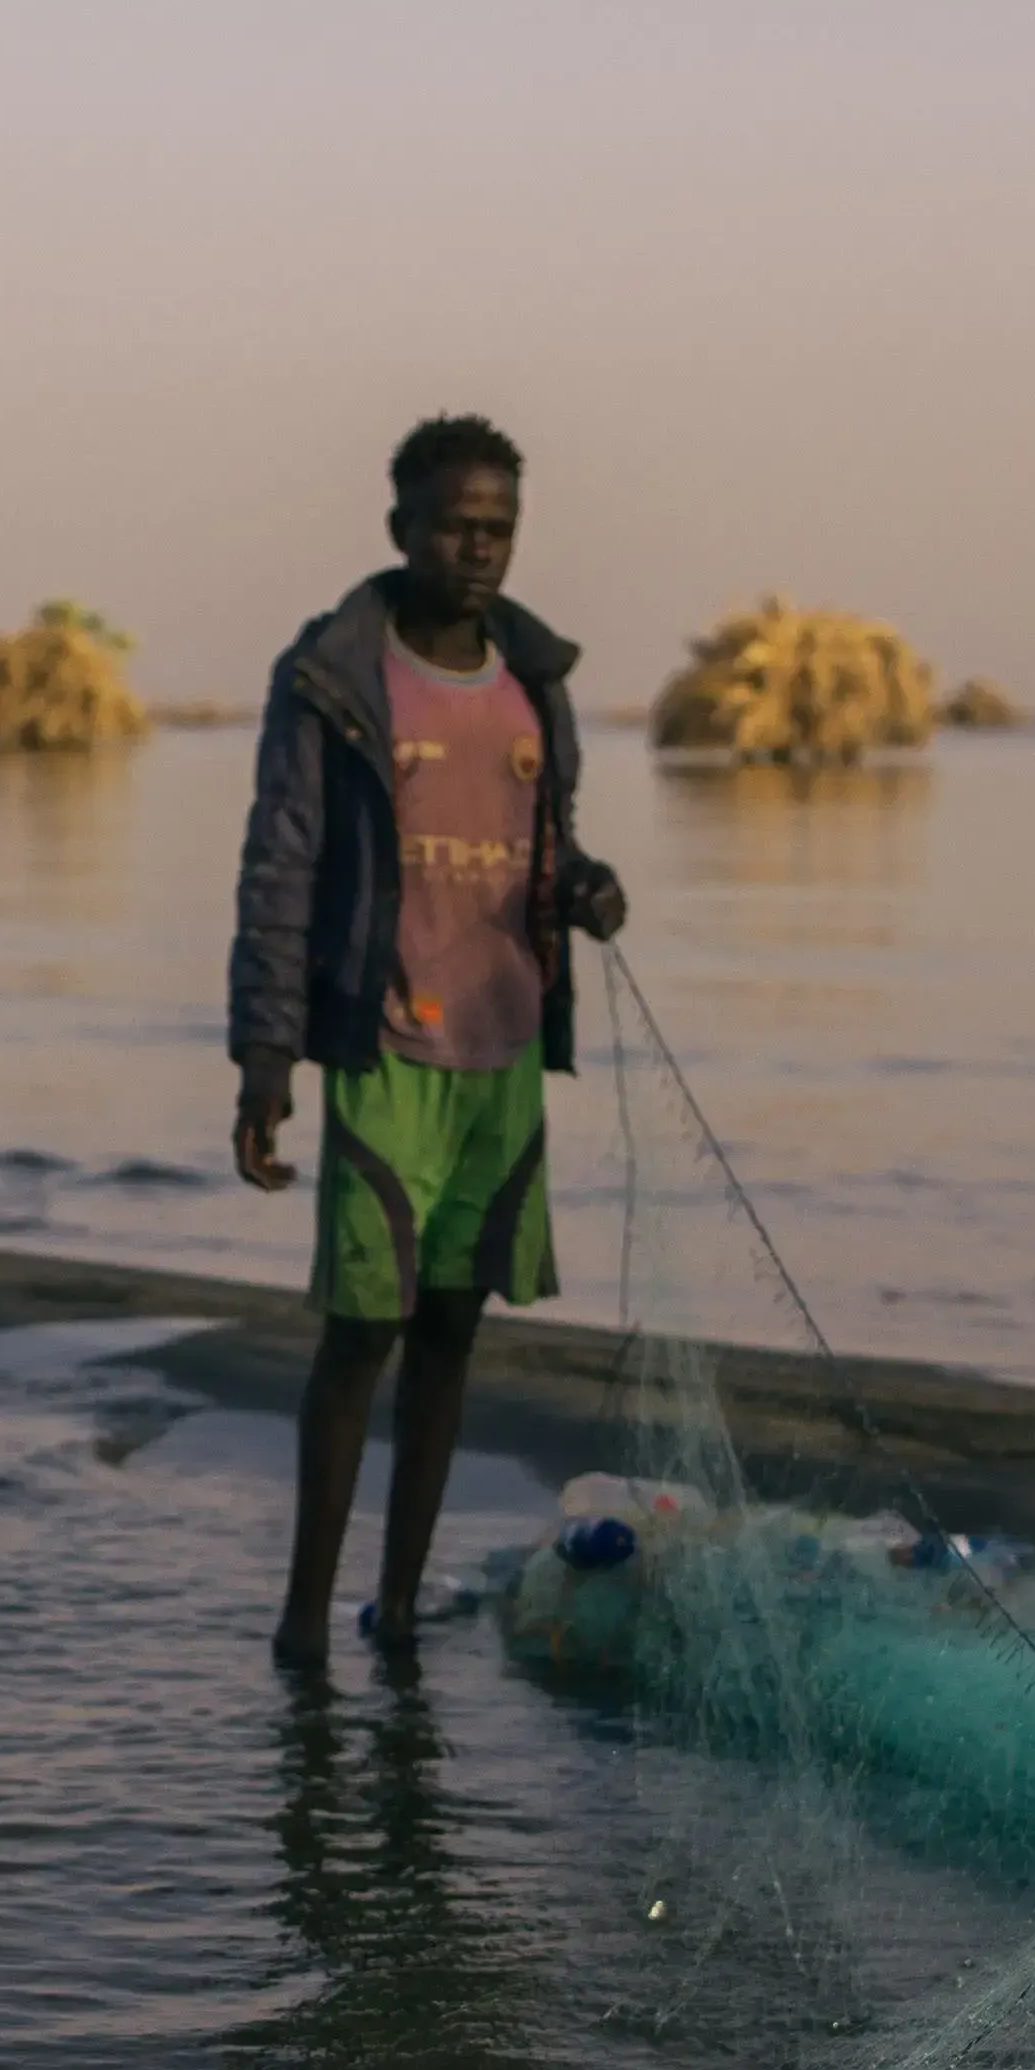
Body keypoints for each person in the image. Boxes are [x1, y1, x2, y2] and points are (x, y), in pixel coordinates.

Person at [225, 414, 628, 1672]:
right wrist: (265, 1059)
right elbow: (281, 867)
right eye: (456, 525)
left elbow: (547, 843)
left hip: (504, 1057)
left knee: (453, 1333)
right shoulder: (336, 677)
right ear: (399, 527)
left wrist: (587, 890)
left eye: (499, 528)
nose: (480, 549)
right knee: (361, 1336)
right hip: (384, 1049)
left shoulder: (533, 677)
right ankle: (304, 1617)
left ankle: (395, 1612)